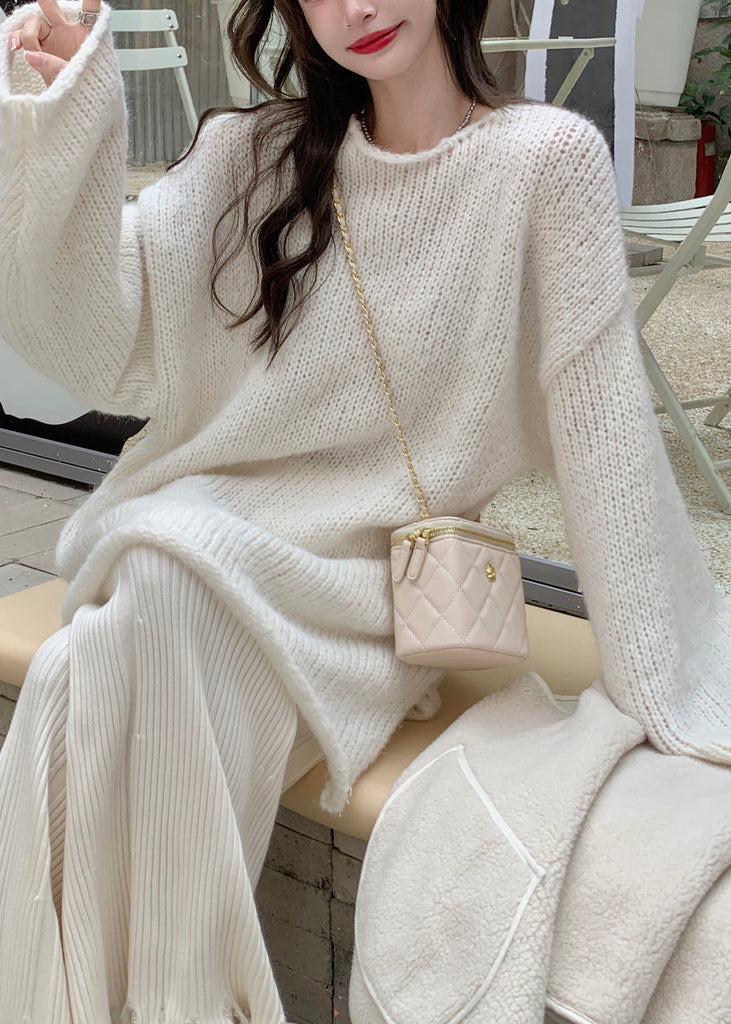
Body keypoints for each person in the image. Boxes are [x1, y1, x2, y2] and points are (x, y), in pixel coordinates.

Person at [0, 0, 729, 1021]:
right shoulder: (253, 155)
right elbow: (86, 339)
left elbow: (602, 433)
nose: (358, 9)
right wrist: (70, 113)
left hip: (371, 598)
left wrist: (667, 685)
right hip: (196, 557)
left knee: (131, 619)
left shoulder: (541, 162)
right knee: (103, 644)